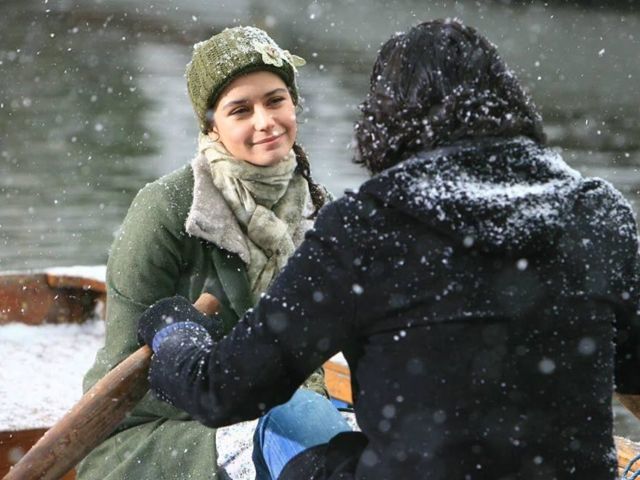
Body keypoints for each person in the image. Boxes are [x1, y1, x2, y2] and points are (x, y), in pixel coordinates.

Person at [136, 20, 640, 480]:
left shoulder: (365, 228)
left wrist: (174, 330)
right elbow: (634, 376)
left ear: (385, 119)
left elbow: (223, 391)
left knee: (294, 426)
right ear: (510, 102)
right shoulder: (598, 213)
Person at [77, 26, 341, 480]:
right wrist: (234, 391)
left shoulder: (317, 209)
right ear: (211, 125)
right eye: (241, 110)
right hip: (159, 438)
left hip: (291, 414)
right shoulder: (167, 209)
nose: (266, 121)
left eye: (275, 100)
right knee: (300, 425)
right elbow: (126, 383)